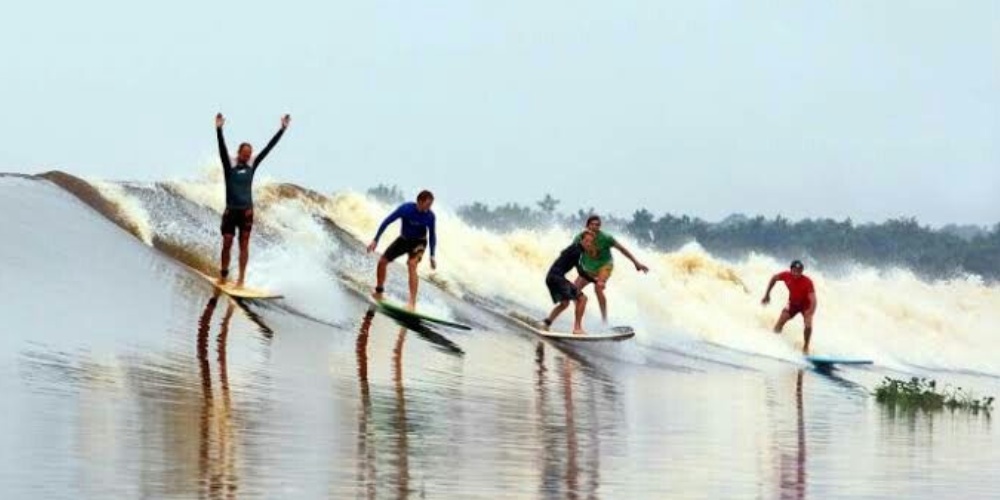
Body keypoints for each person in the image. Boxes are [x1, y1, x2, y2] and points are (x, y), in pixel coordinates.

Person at [215, 112, 290, 287]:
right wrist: (219, 129)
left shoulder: (252, 165)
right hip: (231, 211)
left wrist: (282, 129)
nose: (248, 156)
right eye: (245, 153)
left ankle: (241, 280)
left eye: (250, 154)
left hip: (247, 211)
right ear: (239, 153)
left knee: (244, 244)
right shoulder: (229, 165)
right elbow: (221, 147)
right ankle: (224, 274)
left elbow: (269, 148)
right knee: (227, 242)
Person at [572, 215, 649, 324]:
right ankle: (583, 316)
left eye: (597, 225)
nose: (595, 227)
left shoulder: (606, 238)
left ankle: (604, 321)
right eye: (592, 224)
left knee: (598, 287)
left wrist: (636, 263)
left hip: (605, 266)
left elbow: (622, 249)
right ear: (587, 225)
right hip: (589, 268)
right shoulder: (579, 238)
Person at [367, 190, 437, 309]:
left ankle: (412, 303)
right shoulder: (406, 209)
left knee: (412, 264)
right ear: (420, 201)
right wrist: (375, 240)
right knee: (382, 261)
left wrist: (432, 255)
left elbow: (432, 235)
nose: (430, 207)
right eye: (428, 204)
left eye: (431, 205)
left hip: (419, 242)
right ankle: (379, 291)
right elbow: (387, 222)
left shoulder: (430, 216)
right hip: (404, 240)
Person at [541, 230, 598, 334]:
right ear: (582, 240)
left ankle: (546, 323)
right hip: (556, 278)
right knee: (582, 299)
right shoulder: (577, 252)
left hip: (552, 277)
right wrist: (595, 281)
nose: (588, 243)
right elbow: (581, 272)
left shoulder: (575, 248)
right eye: (586, 241)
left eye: (590, 242)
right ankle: (577, 328)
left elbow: (563, 253)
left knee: (565, 303)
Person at [761, 260, 817, 354]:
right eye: (794, 270)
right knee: (781, 320)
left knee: (808, 323)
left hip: (805, 306)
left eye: (799, 271)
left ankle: (805, 347)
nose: (796, 273)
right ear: (791, 270)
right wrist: (767, 295)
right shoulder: (786, 275)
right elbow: (774, 278)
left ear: (802, 271)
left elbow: (813, 299)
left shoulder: (807, 282)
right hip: (793, 304)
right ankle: (774, 341)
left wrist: (810, 311)